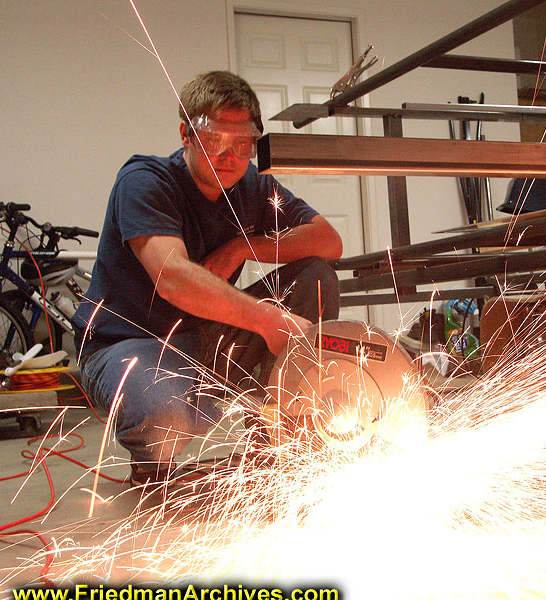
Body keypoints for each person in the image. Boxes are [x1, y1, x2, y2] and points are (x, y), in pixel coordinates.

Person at [72, 71, 343, 486]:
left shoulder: (251, 186)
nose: (229, 156)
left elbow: (328, 240)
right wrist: (268, 319)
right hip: (126, 344)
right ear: (186, 133)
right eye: (214, 141)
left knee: (315, 277)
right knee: (162, 415)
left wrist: (243, 247)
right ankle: (151, 466)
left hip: (205, 338)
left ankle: (275, 434)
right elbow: (173, 278)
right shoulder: (145, 181)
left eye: (242, 144)